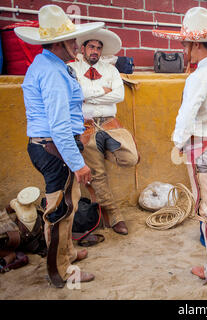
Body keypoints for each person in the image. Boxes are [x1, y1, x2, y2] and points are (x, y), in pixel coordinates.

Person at [14, 4, 104, 287]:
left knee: (68, 205)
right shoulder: (52, 73)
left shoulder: (50, 66)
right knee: (60, 212)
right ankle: (61, 271)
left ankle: (66, 254)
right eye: (72, 40)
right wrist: (77, 164)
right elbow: (59, 125)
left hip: (53, 146)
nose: (76, 45)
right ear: (59, 43)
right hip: (54, 148)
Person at [152, 7, 207, 282]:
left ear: (196, 44)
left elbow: (187, 114)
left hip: (205, 149)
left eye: (185, 44)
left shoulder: (198, 77)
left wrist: (178, 142)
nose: (184, 50)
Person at [68, 29, 139, 235]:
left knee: (131, 157)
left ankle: (102, 154)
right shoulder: (72, 69)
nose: (95, 51)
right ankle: (114, 216)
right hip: (86, 127)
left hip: (109, 124)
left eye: (99, 48)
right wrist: (103, 91)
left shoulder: (111, 70)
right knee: (97, 175)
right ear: (83, 48)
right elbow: (76, 94)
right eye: (91, 47)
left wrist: (87, 96)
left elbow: (119, 96)